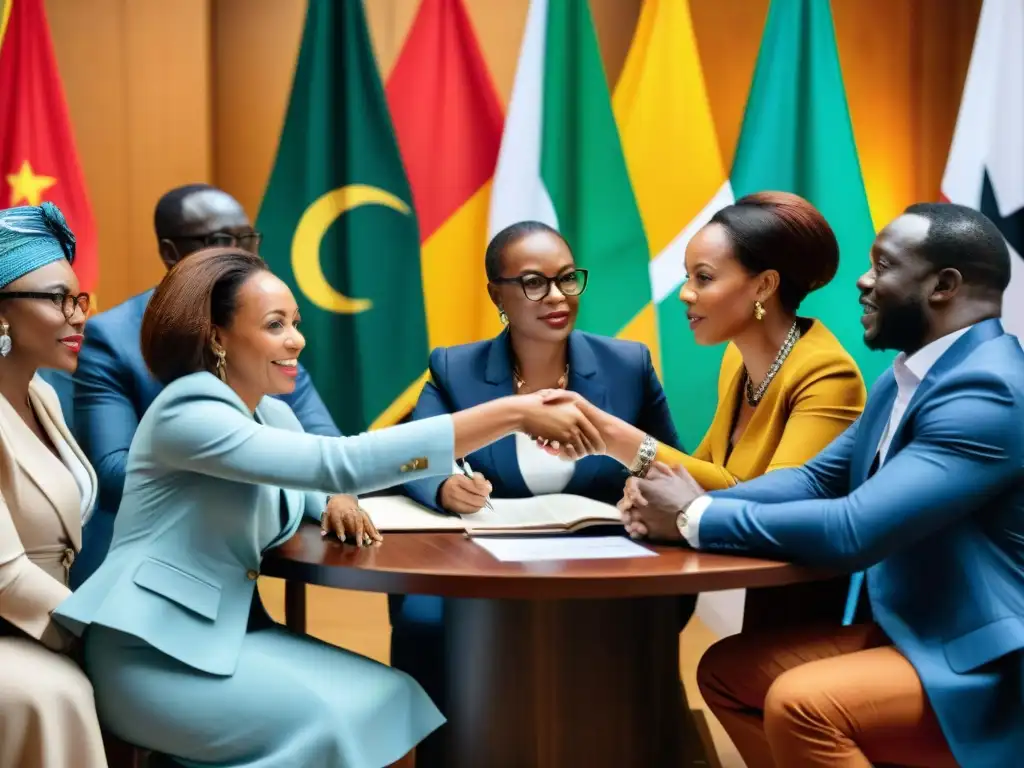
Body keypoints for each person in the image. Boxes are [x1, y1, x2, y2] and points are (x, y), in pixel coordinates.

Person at [53, 247, 603, 768]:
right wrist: (511, 413)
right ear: (217, 337)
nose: (296, 341)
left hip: (228, 635)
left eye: (295, 322)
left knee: (396, 700)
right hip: (153, 655)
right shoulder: (188, 409)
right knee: (350, 717)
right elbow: (336, 462)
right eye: (275, 325)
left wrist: (331, 499)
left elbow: (314, 476)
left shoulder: (270, 413)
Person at [621, 203, 1023, 767]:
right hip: (916, 633)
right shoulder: (905, 379)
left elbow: (854, 527)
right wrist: (685, 506)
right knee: (728, 674)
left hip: (987, 663)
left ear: (943, 286)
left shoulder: (987, 390)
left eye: (883, 266)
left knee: (802, 705)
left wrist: (693, 516)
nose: (863, 281)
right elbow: (814, 479)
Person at [393, 220, 683, 765]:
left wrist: (644, 495)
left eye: (567, 279)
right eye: (533, 283)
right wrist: (444, 486)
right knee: (423, 620)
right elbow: (414, 455)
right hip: (483, 565)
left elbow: (670, 464)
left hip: (602, 563)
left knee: (639, 623)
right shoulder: (454, 367)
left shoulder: (627, 364)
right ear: (496, 293)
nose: (555, 297)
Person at [71, 183, 343, 587]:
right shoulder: (111, 338)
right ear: (170, 252)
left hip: (234, 560)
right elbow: (113, 474)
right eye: (219, 241)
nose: (241, 255)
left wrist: (336, 494)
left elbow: (324, 441)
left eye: (247, 238)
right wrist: (251, 473)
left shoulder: (265, 330)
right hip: (139, 570)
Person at [553, 192, 866, 488]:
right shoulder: (736, 357)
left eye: (703, 277)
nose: (685, 293)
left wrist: (612, 436)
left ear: (764, 286)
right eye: (688, 276)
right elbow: (705, 473)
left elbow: (779, 501)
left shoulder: (829, 376)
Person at [0, 203, 105, 768]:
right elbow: (7, 575)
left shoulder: (41, 393)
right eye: (56, 298)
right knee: (55, 696)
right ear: (0, 314)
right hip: (16, 620)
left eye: (79, 298)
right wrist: (101, 632)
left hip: (41, 620)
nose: (78, 315)